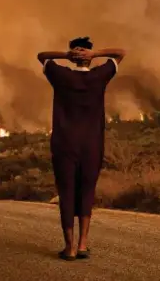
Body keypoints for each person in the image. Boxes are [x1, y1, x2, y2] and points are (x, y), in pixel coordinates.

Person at [37, 36, 126, 261]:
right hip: (92, 145)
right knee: (87, 192)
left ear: (74, 55)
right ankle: (83, 245)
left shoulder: (60, 75)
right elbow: (121, 53)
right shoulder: (99, 76)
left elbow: (41, 56)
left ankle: (70, 248)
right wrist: (96, 55)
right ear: (88, 54)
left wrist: (65, 56)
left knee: (66, 193)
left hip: (64, 144)